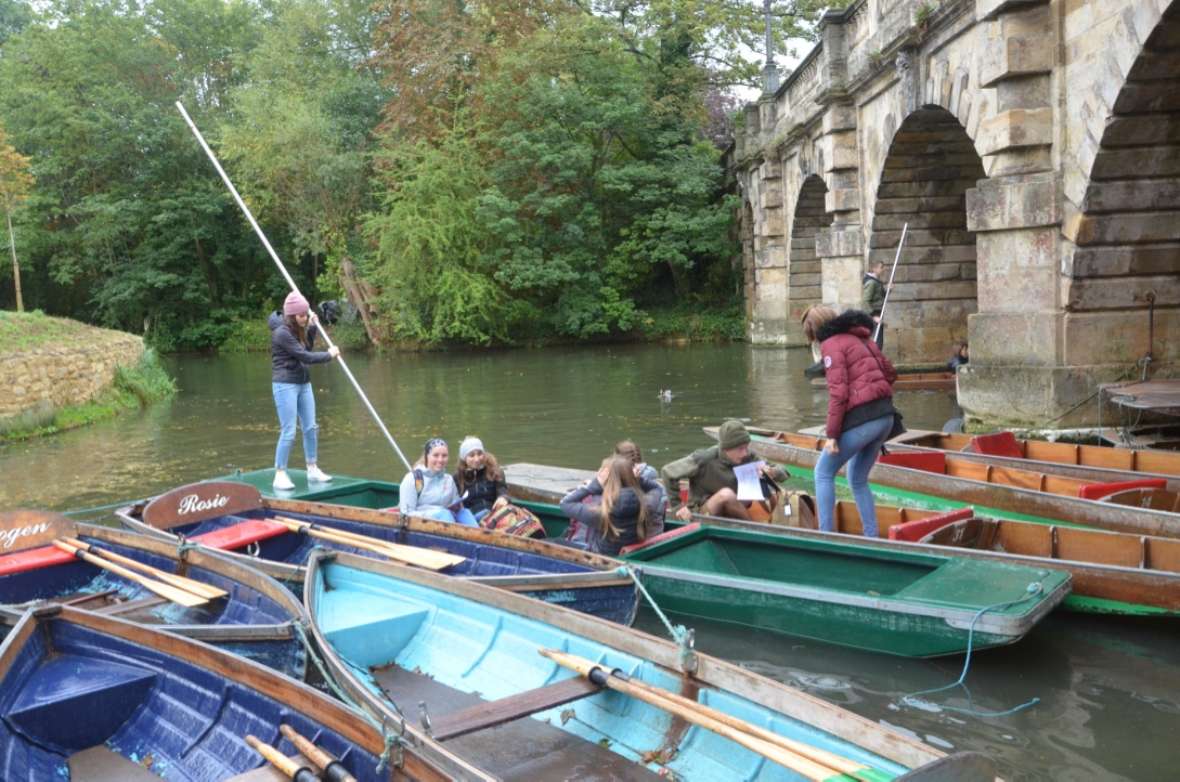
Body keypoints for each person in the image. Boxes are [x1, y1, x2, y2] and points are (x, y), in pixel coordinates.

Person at [812, 308, 898, 537]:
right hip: (885, 417)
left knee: (822, 472)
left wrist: (832, 436)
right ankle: (872, 537)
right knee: (857, 479)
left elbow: (838, 395)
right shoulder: (864, 338)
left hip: (865, 420)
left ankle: (825, 538)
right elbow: (890, 373)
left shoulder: (831, 344)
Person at [269, 291, 340, 492]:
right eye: (301, 316)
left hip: (303, 382)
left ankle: (312, 468)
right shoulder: (281, 333)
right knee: (289, 430)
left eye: (305, 314)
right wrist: (328, 355)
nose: (305, 318)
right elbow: (304, 356)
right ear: (292, 315)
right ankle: (280, 473)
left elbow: (306, 347)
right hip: (285, 385)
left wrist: (311, 328)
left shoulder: (298, 327)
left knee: (310, 427)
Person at [660, 420, 787, 522]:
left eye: (746, 447)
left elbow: (784, 472)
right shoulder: (704, 458)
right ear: (726, 449)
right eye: (740, 449)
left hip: (738, 509)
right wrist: (678, 508)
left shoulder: (749, 456)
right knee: (726, 494)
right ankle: (755, 529)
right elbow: (667, 472)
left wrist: (772, 472)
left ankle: (780, 526)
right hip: (704, 512)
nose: (745, 453)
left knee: (785, 497)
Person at [560, 455, 665, 556]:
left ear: (606, 481)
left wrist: (593, 485)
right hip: (628, 556)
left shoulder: (599, 513)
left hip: (600, 560)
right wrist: (637, 480)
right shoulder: (645, 506)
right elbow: (657, 488)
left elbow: (565, 503)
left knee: (552, 542)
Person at [399, 438, 478, 526]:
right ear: (427, 456)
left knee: (464, 512)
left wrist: (457, 506)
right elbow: (405, 514)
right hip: (423, 524)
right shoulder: (413, 479)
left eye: (444, 456)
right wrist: (435, 515)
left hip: (446, 518)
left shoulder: (448, 479)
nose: (440, 460)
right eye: (436, 455)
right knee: (444, 514)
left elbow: (454, 502)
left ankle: (479, 535)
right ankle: (451, 538)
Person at [454, 436, 509, 522]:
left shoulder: (495, 471)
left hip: (493, 515)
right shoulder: (457, 477)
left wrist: (503, 498)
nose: (477, 459)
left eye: (479, 454)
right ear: (464, 458)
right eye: (471, 455)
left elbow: (502, 490)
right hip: (471, 518)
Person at [862, 261, 888, 349]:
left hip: (878, 313)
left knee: (879, 340)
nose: (883, 269)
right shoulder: (871, 283)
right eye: (881, 267)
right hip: (874, 314)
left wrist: (888, 290)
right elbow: (866, 301)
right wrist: (873, 316)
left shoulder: (877, 281)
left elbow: (880, 296)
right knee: (877, 341)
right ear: (874, 269)